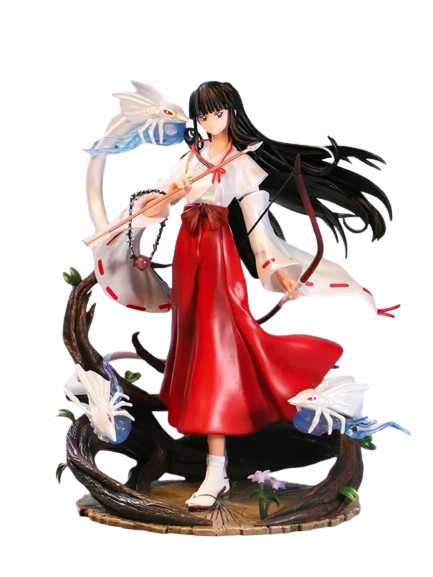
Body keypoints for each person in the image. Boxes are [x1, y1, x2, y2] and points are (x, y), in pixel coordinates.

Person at [85, 80, 396, 511]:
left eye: (217, 112)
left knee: (219, 350)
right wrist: (160, 199)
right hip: (188, 253)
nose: (209, 121)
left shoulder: (244, 163)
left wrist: (279, 270)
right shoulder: (192, 157)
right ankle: (213, 458)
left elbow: (256, 228)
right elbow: (159, 202)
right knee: (194, 344)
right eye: (203, 114)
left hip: (217, 256)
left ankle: (217, 471)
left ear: (233, 112)